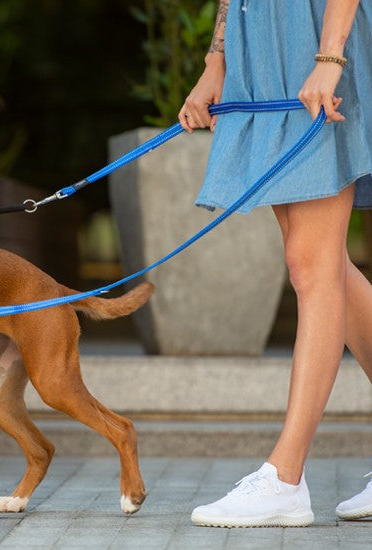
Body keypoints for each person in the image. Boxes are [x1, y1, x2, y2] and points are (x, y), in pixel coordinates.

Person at [178, 0, 372, 528]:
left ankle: (286, 478)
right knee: (319, 261)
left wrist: (331, 53)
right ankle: (285, 480)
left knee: (312, 264)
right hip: (261, 46)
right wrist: (216, 62)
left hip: (319, 34)